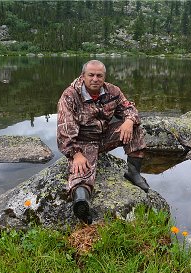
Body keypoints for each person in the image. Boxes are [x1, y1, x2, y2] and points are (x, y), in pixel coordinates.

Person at [57, 60, 149, 224]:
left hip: (105, 135)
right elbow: (65, 131)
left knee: (134, 128)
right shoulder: (70, 96)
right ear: (83, 76)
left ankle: (133, 172)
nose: (95, 79)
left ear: (104, 76)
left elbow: (130, 109)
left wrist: (129, 121)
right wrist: (76, 154)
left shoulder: (113, 91)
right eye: (91, 75)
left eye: (99, 75)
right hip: (83, 141)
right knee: (82, 168)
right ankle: (81, 203)